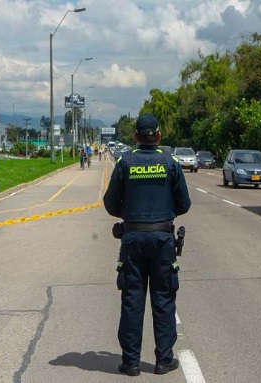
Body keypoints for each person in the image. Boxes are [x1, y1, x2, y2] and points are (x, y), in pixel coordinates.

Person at [103, 113, 191, 377]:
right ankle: (164, 360)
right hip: (163, 239)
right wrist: (163, 214)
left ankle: (130, 362)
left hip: (132, 239)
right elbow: (184, 204)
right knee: (163, 299)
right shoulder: (170, 162)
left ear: (135, 137)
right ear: (159, 136)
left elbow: (110, 204)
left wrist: (131, 215)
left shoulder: (124, 162)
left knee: (132, 299)